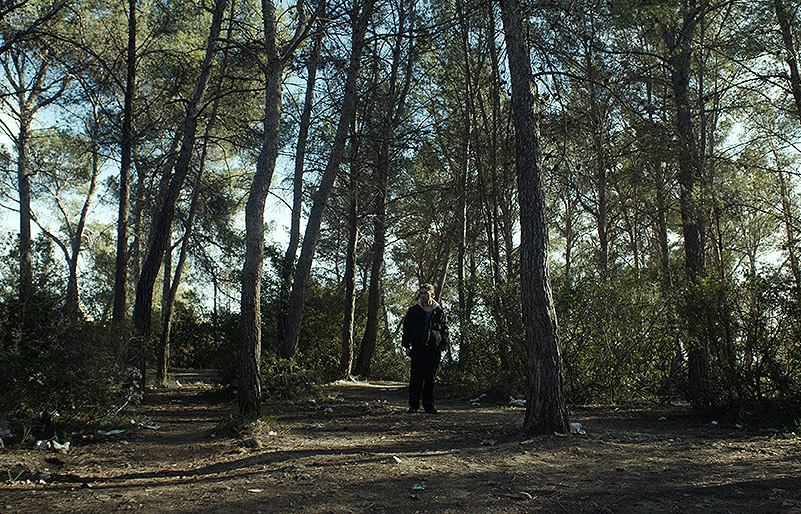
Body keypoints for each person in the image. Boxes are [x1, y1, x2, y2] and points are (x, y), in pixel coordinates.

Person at [401, 283, 449, 414]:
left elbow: (445, 330)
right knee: (416, 377)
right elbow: (407, 329)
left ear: (432, 295)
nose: (423, 296)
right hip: (417, 348)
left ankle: (429, 405)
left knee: (430, 378)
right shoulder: (413, 311)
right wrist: (406, 346)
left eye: (425, 293)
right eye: (421, 293)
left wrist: (443, 346)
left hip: (433, 349)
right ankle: (413, 405)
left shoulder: (440, 311)